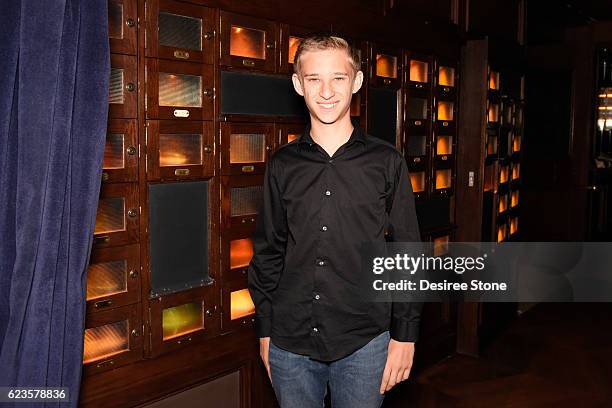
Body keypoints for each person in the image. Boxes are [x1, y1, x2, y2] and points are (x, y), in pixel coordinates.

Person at [247, 34, 423, 408]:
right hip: (290, 343)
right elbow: (268, 250)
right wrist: (265, 329)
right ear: (299, 85)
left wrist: (405, 336)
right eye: (314, 79)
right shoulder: (282, 164)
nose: (326, 91)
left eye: (338, 78)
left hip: (365, 342)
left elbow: (407, 253)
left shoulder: (387, 162)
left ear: (356, 81)